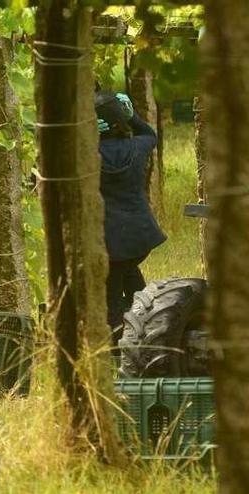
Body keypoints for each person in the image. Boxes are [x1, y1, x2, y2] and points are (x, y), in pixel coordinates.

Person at [96, 91, 167, 330]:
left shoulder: (88, 156)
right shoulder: (138, 146)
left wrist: (85, 136)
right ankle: (151, 327)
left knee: (112, 299)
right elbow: (150, 135)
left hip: (111, 243)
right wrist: (133, 117)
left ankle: (119, 348)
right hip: (139, 238)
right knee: (130, 276)